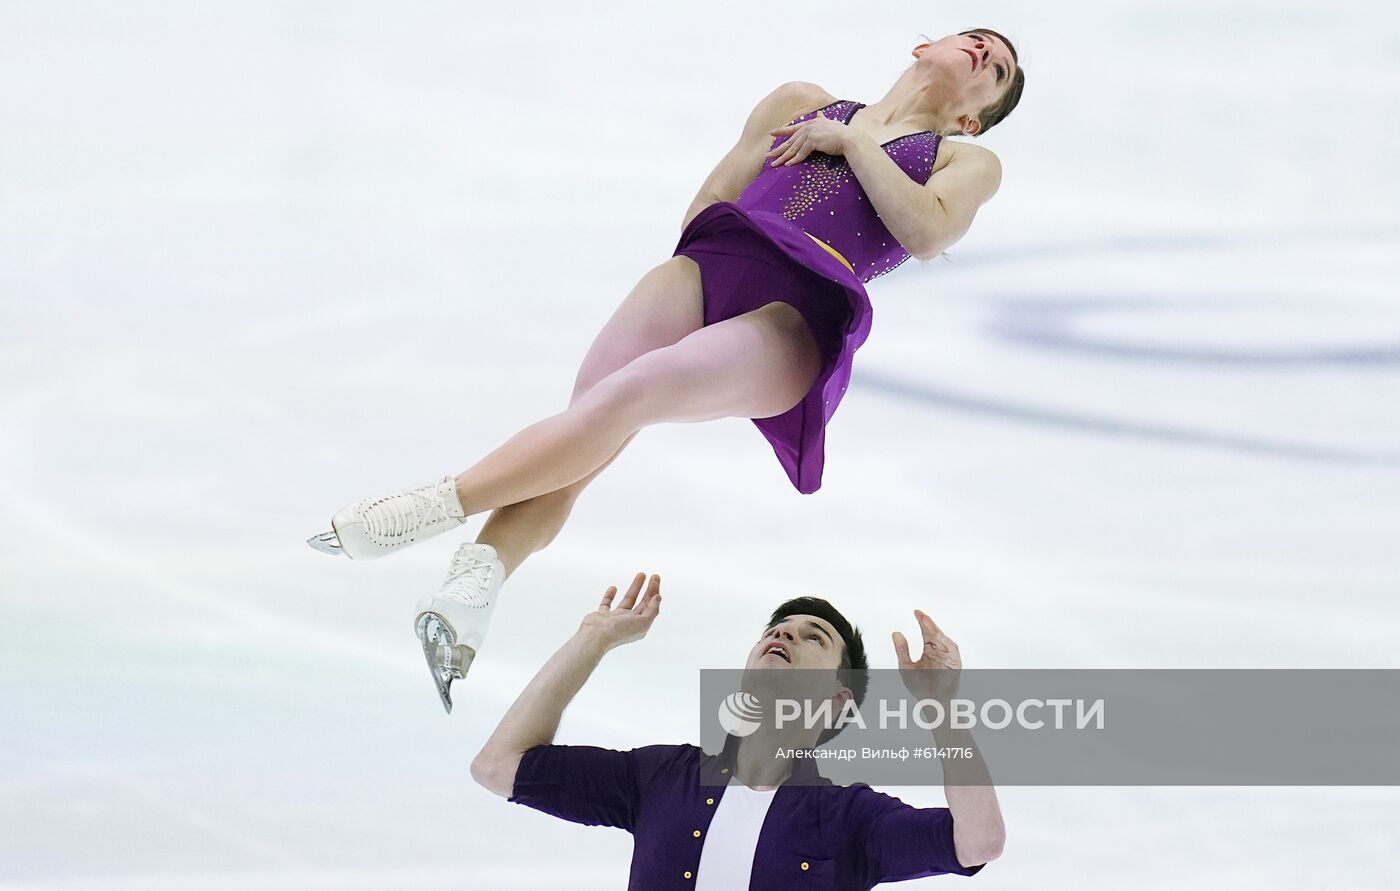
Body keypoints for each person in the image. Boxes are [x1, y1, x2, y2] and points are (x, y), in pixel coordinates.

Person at [306, 30, 1026, 710]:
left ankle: (423, 510)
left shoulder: (962, 162)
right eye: (978, 40)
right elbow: (713, 196)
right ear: (923, 45)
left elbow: (927, 232)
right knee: (585, 430)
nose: (984, 52)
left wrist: (851, 143)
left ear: (972, 118)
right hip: (709, 268)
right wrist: (696, 274)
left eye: (996, 71)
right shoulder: (796, 100)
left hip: (795, 316)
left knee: (632, 394)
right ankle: (465, 602)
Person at [470, 573, 1006, 889]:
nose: (784, 634)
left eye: (812, 637)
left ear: (838, 699)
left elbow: (978, 841)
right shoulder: (661, 778)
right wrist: (593, 640)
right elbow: (497, 766)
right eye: (777, 630)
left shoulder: (849, 818)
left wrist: (941, 706)